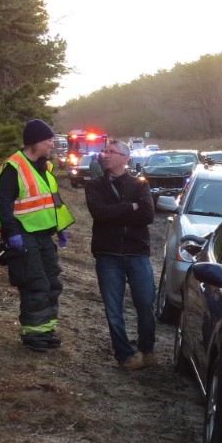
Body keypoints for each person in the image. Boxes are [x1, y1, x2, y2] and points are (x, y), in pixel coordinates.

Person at [0, 119, 75, 352]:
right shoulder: (13, 167)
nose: (52, 144)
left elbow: (52, 201)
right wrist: (12, 234)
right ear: (35, 142)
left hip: (43, 235)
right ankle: (33, 334)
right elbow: (3, 205)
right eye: (49, 139)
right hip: (23, 235)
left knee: (52, 282)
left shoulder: (44, 167)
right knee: (35, 283)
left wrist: (60, 228)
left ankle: (46, 330)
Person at [85, 140, 157, 370]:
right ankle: (124, 355)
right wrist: (129, 207)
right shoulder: (95, 185)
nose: (105, 155)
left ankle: (147, 348)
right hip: (107, 254)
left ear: (125, 158)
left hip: (137, 252)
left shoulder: (139, 184)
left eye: (111, 152)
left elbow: (147, 215)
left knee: (145, 303)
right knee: (113, 308)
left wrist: (115, 212)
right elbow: (99, 213)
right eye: (105, 151)